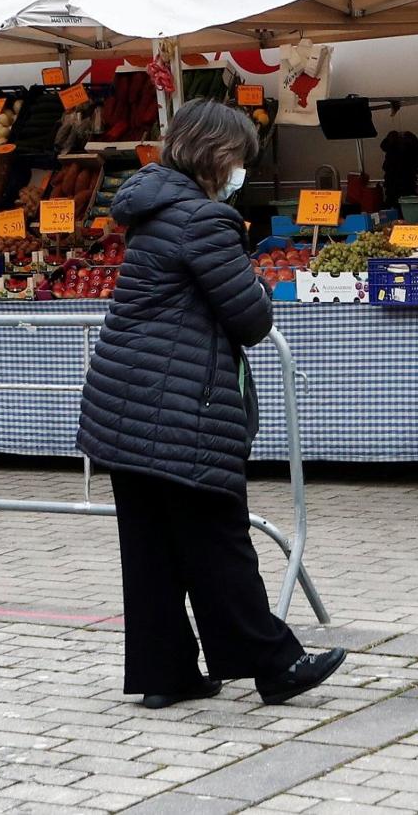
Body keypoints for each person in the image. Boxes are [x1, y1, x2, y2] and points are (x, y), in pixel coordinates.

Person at [78, 98, 345, 708]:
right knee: (219, 539)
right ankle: (275, 664)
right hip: (177, 408)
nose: (238, 172)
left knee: (150, 550)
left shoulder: (151, 209)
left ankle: (163, 676)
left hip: (124, 400)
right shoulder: (203, 220)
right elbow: (250, 319)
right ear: (213, 154)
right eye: (237, 159)